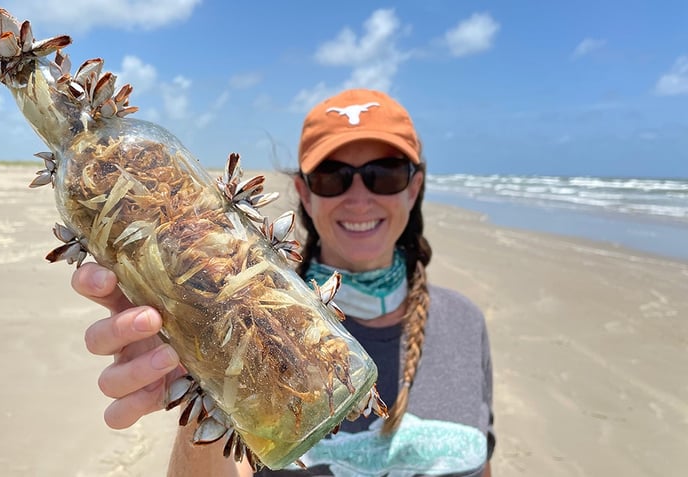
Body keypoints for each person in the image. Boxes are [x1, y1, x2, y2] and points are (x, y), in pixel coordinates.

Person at [72, 88, 495, 476]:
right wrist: (201, 366)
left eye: (386, 173)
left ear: (414, 187)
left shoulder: (465, 323)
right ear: (305, 193)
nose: (360, 196)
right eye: (334, 176)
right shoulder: (233, 318)